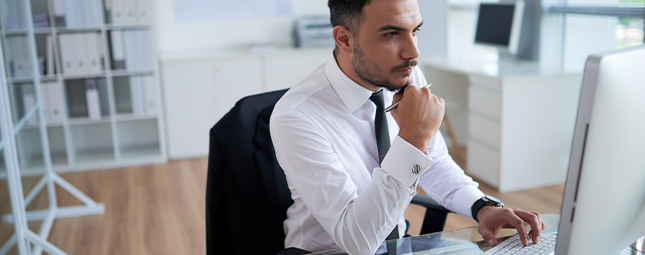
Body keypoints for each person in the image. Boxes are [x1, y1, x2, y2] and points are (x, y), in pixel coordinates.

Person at [270, 0, 545, 254]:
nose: (413, 52)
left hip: (400, 245)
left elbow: (434, 163)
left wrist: (481, 206)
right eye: (391, 34)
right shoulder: (297, 116)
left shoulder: (405, 74)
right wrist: (413, 140)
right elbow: (357, 241)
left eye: (415, 31)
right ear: (345, 39)